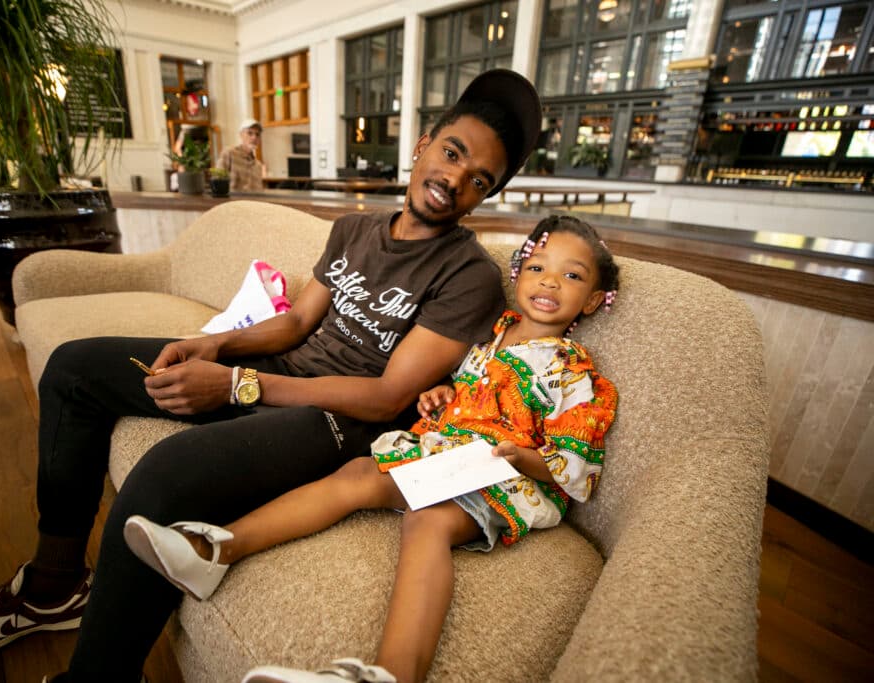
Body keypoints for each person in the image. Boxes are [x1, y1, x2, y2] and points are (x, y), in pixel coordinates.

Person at [0, 68, 541, 681]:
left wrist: (242, 386)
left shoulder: (469, 276)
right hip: (278, 369)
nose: (455, 179)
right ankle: (54, 584)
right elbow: (298, 322)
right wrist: (214, 346)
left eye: (478, 179)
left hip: (333, 422)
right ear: (422, 146)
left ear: (483, 195)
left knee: (163, 477)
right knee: (73, 369)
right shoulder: (354, 229)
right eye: (452, 152)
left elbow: (386, 398)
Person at [123, 214, 619, 683]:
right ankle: (215, 550)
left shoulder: (573, 373)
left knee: (428, 520)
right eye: (537, 267)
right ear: (520, 275)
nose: (549, 282)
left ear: (594, 300)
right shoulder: (491, 337)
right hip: (449, 455)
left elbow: (575, 469)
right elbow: (463, 394)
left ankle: (394, 671)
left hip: (507, 478)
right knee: (359, 472)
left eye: (571, 276)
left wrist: (519, 456)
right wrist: (440, 396)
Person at [218, 118, 267, 191]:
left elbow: (258, 190)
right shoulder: (229, 153)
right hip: (233, 201)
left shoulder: (258, 165)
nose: (254, 137)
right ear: (241, 135)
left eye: (257, 134)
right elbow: (218, 179)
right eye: (250, 133)